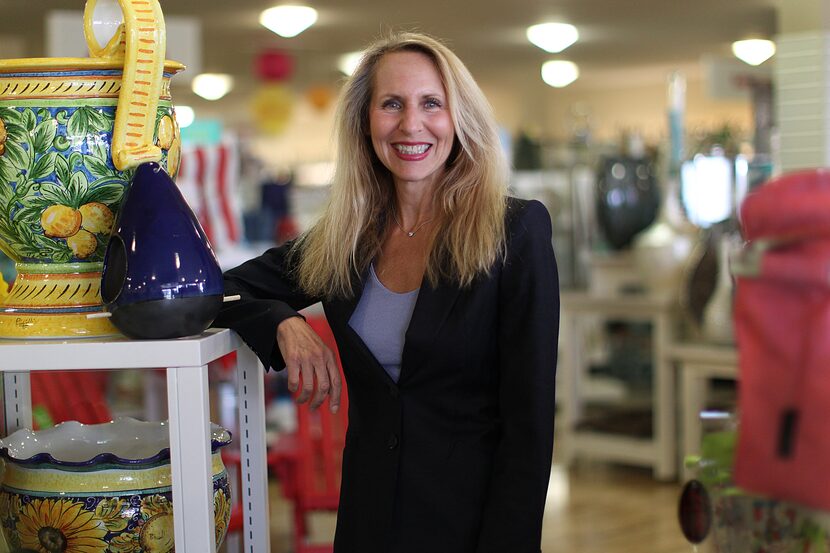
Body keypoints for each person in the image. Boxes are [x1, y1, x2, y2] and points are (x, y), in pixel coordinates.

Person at [214, 31, 559, 553]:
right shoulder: (344, 242)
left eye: (431, 104)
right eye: (391, 104)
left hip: (470, 528)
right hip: (368, 523)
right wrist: (283, 322)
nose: (410, 124)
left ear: (458, 118)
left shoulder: (514, 232)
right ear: (365, 121)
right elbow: (218, 288)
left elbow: (529, 426)